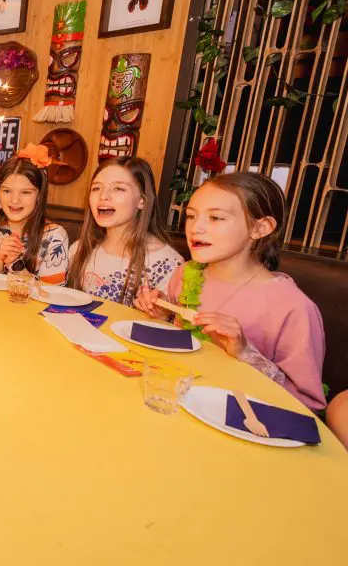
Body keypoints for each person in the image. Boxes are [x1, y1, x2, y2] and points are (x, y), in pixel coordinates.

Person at [135, 172, 326, 412]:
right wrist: (163, 315)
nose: (196, 228)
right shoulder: (184, 274)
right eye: (191, 216)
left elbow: (309, 405)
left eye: (216, 218)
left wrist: (244, 351)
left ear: (260, 228)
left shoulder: (293, 307)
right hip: (182, 403)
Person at [67, 156, 183, 305]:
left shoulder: (168, 264)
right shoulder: (79, 249)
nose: (103, 196)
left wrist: (161, 312)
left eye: (118, 188)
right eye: (96, 188)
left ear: (142, 200)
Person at [0, 146, 69, 284]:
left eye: (26, 192)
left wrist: (14, 263)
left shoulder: (54, 236)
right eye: (7, 191)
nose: (14, 200)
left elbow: (52, 294)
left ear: (39, 196)